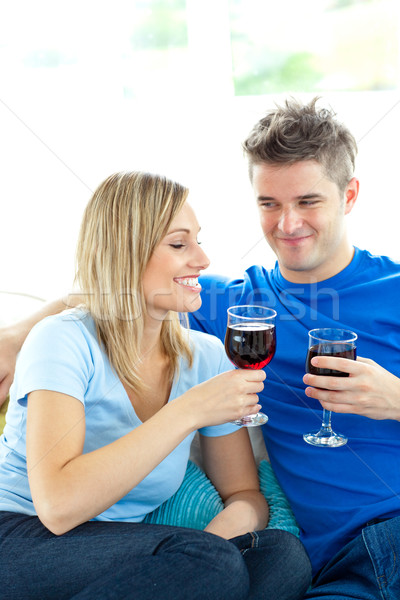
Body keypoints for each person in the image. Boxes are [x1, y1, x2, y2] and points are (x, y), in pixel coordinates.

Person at [0, 171, 311, 600]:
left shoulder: (204, 357)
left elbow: (244, 494)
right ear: (126, 253)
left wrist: (216, 540)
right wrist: (187, 411)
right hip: (19, 537)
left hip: (119, 548)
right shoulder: (63, 339)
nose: (202, 259)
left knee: (281, 555)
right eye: (180, 244)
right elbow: (57, 508)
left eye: (199, 241)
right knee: (212, 564)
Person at [189, 97, 400, 599]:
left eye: (307, 202)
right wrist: (18, 335)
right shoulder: (238, 306)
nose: (287, 225)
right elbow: (113, 296)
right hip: (329, 563)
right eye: (269, 203)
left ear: (348, 195)